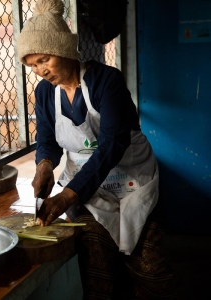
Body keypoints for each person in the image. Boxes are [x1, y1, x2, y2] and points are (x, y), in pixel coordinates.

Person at [16, 0, 181, 298]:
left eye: (44, 60)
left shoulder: (107, 82)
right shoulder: (44, 93)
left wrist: (66, 196)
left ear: (63, 48)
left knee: (150, 269)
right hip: (91, 191)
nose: (40, 71)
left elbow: (111, 146)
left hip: (132, 183)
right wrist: (44, 166)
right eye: (32, 65)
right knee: (97, 265)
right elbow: (47, 140)